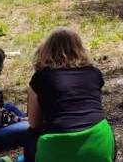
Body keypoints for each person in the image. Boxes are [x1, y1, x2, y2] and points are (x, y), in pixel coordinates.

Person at [26, 27, 114, 162]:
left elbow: (34, 123)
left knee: (31, 134)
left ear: (46, 50)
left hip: (55, 147)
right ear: (79, 48)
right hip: (98, 143)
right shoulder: (94, 73)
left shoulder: (39, 78)